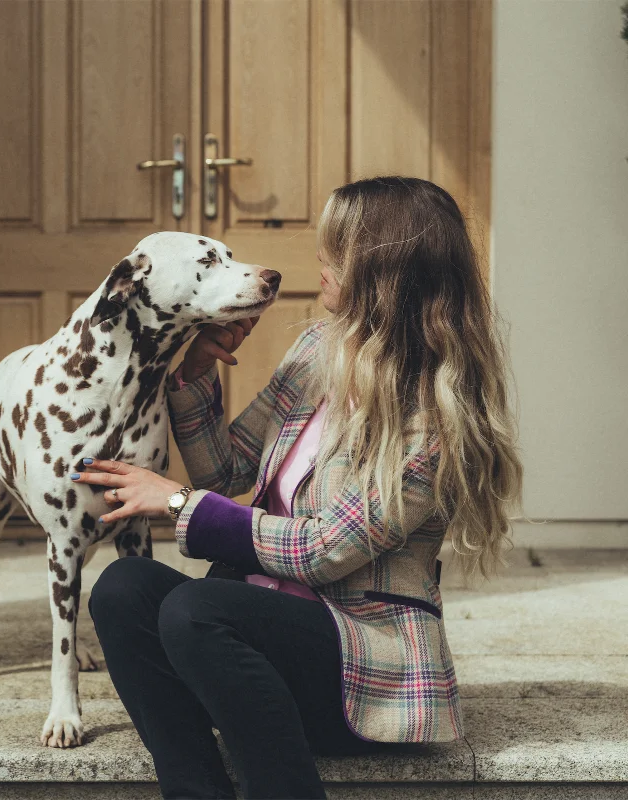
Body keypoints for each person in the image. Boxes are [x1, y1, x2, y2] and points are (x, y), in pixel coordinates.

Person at [72, 176, 524, 799]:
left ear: (381, 268)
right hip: (259, 645)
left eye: (335, 249)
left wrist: (177, 503)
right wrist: (196, 374)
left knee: (198, 608)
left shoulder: (437, 412)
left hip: (361, 669)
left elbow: (325, 550)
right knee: (123, 589)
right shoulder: (318, 351)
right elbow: (232, 476)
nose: (319, 262)